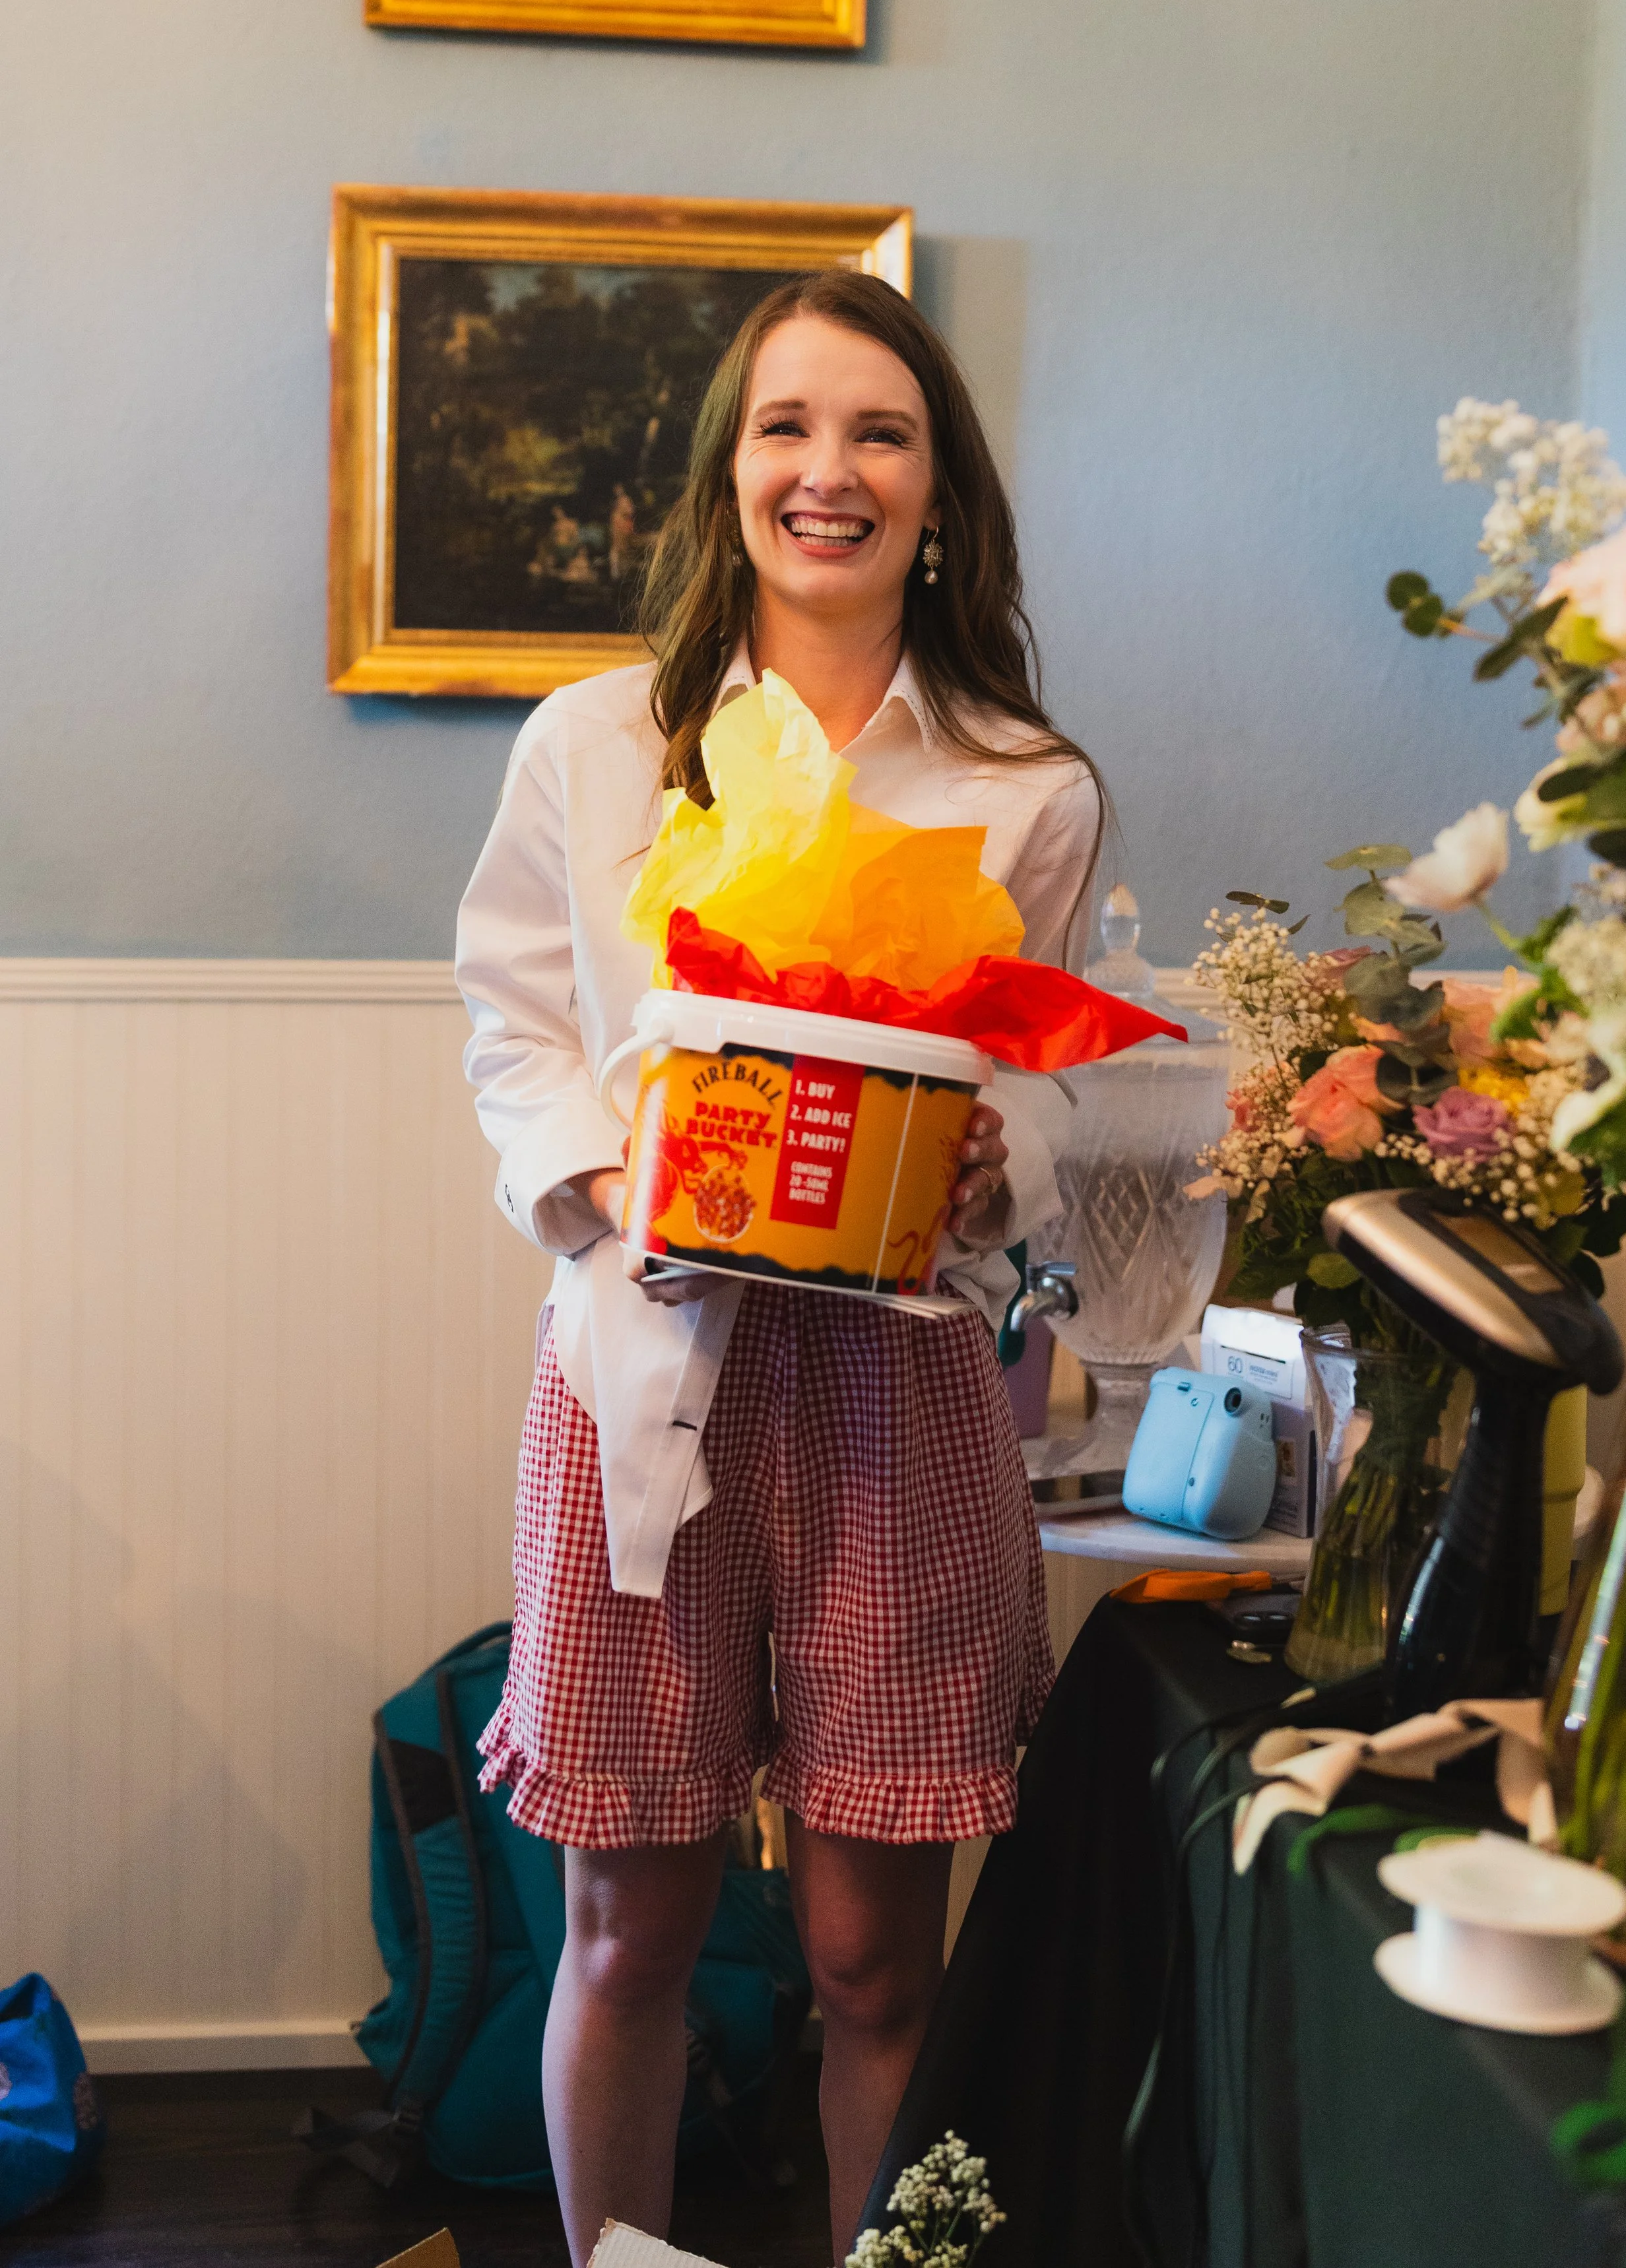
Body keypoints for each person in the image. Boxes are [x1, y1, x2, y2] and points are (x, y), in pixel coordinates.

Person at [455, 270, 1103, 2266]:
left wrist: (1004, 1163)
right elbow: (511, 1018)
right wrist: (599, 1198)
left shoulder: (1026, 781)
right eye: (787, 428)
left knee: (868, 1961)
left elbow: (1044, 1115)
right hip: (641, 1364)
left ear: (938, 494)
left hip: (897, 1394)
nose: (828, 471)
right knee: (629, 1920)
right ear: (729, 470)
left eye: (879, 433)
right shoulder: (599, 739)